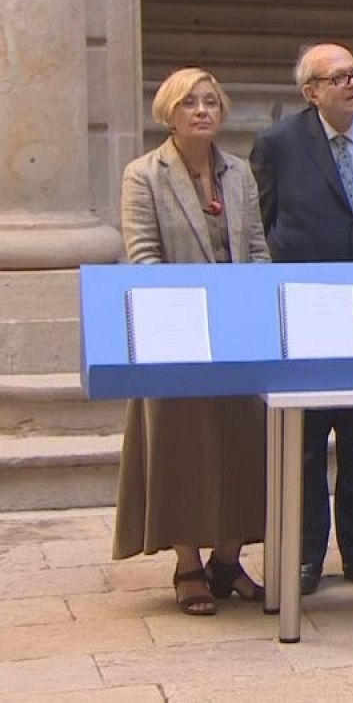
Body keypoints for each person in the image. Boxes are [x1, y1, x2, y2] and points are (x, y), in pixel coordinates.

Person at [250, 43, 353, 594]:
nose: (351, 84)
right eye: (337, 77)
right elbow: (267, 224)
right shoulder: (278, 145)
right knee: (307, 438)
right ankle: (304, 556)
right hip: (308, 308)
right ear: (310, 91)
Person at [112, 68, 270, 615]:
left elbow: (256, 248)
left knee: (244, 439)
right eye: (190, 103)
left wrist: (252, 300)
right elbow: (142, 256)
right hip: (175, 330)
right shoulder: (144, 174)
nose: (202, 111)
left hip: (237, 330)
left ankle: (228, 559)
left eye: (210, 102)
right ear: (169, 113)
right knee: (181, 445)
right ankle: (188, 564)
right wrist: (190, 309)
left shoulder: (240, 172)